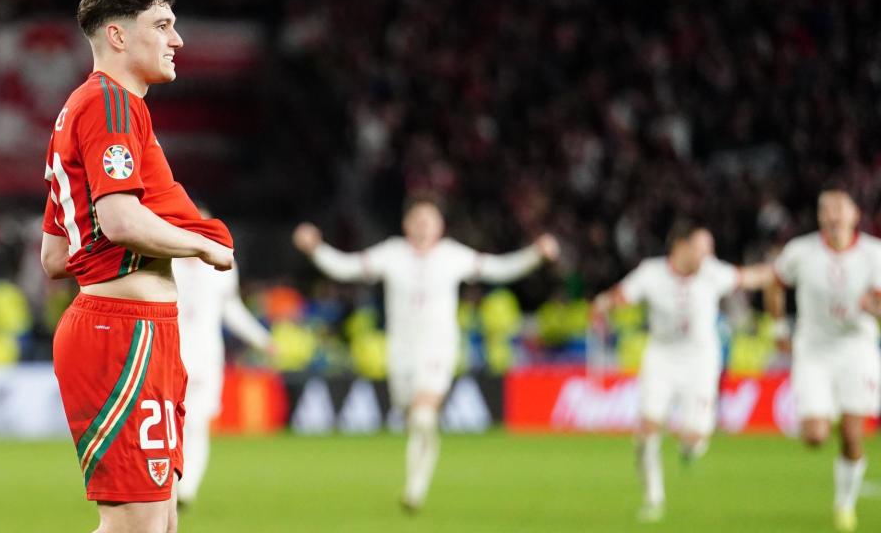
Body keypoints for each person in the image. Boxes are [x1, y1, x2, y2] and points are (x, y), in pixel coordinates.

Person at [39, 0, 234, 533]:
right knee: (138, 526)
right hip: (123, 332)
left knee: (161, 522)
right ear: (119, 36)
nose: (178, 40)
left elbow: (55, 257)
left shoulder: (79, 111)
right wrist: (202, 245)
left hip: (132, 328)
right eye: (163, 25)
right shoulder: (111, 104)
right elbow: (120, 219)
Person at [292, 198, 560, 512]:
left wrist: (535, 255)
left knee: (423, 415)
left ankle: (416, 487)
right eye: (416, 220)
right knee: (414, 419)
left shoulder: (452, 256)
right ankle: (415, 483)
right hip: (401, 350)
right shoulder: (392, 254)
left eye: (428, 220)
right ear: (406, 225)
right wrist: (315, 249)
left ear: (440, 227)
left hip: (438, 347)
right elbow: (347, 267)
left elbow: (497, 269)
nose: (422, 226)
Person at [591, 222, 773, 523]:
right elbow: (621, 294)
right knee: (647, 429)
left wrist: (779, 272)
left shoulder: (713, 273)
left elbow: (748, 276)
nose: (708, 255)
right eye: (703, 247)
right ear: (681, 246)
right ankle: (653, 498)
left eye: (710, 249)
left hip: (701, 361)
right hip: (661, 357)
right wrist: (603, 303)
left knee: (692, 436)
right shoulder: (651, 273)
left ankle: (691, 445)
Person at [770, 189, 881, 532]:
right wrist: (778, 325)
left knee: (851, 434)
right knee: (815, 436)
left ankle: (844, 505)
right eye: (825, 209)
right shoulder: (800, 252)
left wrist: (872, 307)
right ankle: (831, 411)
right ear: (819, 217)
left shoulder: (873, 254)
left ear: (854, 215)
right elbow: (775, 283)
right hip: (813, 349)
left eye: (838, 208)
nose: (832, 215)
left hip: (856, 347)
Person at [172, 254, 273, 507]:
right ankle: (167, 484)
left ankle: (187, 488)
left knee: (197, 422)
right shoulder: (165, 259)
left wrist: (262, 339)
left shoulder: (221, 264)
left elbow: (232, 309)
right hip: (169, 354)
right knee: (170, 425)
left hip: (206, 357)